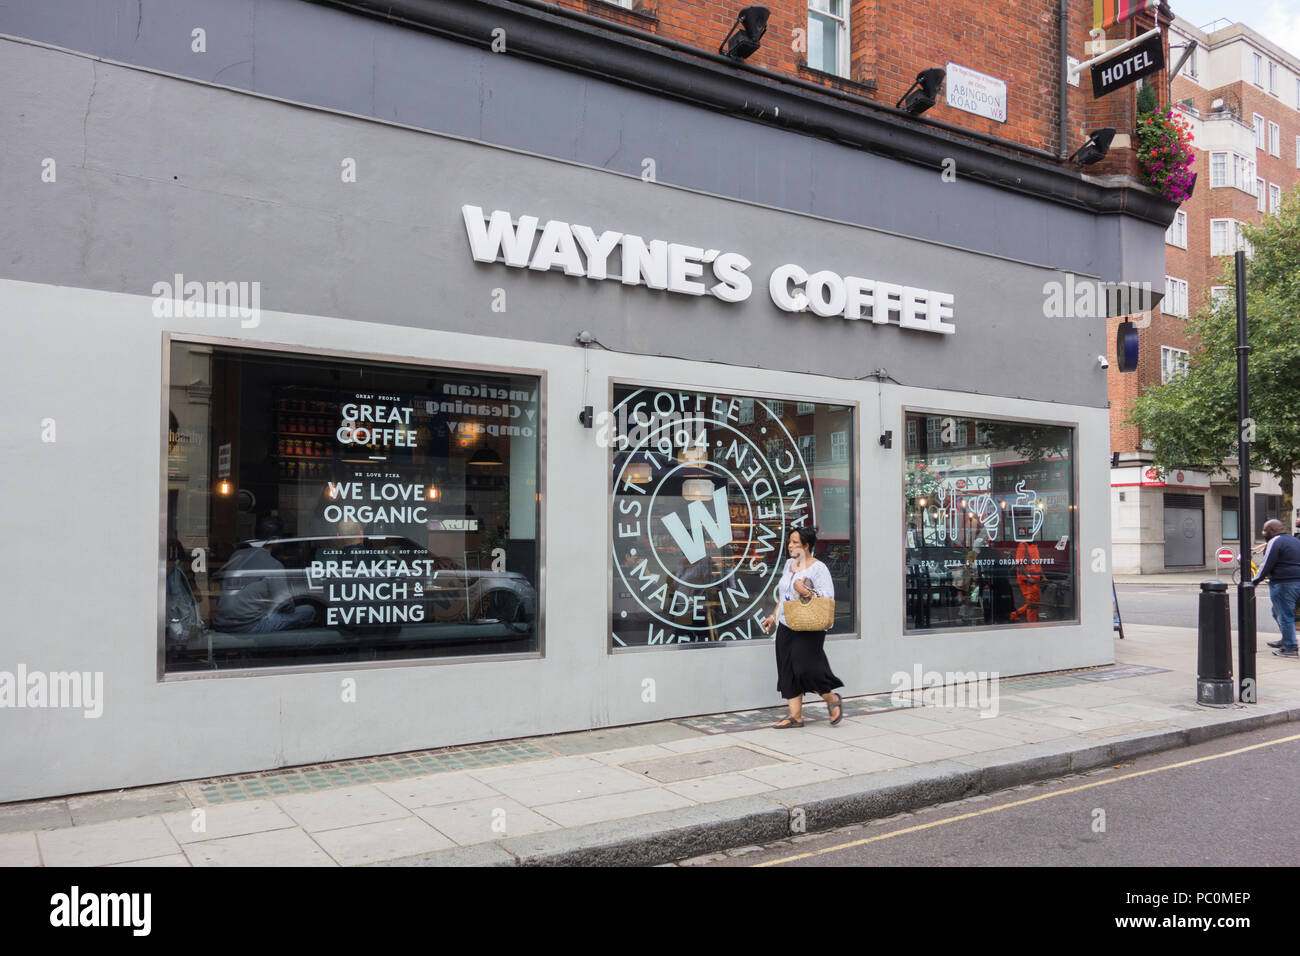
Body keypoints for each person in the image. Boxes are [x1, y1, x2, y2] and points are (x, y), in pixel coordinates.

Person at [760, 526, 844, 728]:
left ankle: (831, 698)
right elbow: (784, 595)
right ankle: (795, 716)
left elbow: (828, 598)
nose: (790, 546)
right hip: (788, 623)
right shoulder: (789, 564)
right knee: (787, 668)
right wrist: (774, 616)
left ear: (807, 546)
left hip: (810, 625)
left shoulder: (818, 568)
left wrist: (805, 591)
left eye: (795, 542)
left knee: (805, 667)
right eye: (789, 541)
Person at [214, 515, 316, 633]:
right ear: (276, 540)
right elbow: (285, 605)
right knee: (309, 611)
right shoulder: (273, 564)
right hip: (249, 626)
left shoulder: (236, 556)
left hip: (221, 622)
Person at [1252, 519, 1300, 658]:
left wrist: (1254, 581)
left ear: (1271, 531)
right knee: (1277, 612)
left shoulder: (1275, 541)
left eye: (1264, 530)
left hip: (1284, 584)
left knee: (1285, 615)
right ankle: (1286, 639)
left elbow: (1266, 564)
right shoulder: (1295, 540)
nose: (1263, 533)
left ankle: (1290, 648)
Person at [1009, 532, 1042, 623]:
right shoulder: (1023, 545)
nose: (1037, 537)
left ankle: (1016, 615)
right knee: (1032, 603)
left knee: (1035, 602)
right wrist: (1028, 577)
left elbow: (1038, 563)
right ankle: (1032, 623)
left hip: (1035, 578)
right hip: (1026, 579)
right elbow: (1019, 564)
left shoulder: (1034, 546)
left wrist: (1043, 576)